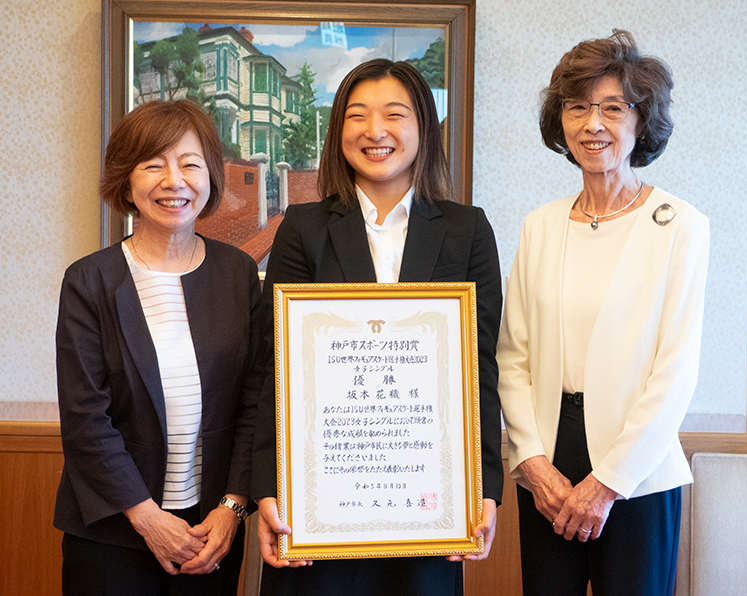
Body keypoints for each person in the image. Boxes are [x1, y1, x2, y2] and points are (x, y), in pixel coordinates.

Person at [250, 59, 504, 596]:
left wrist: (484, 487)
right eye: (357, 115)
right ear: (338, 129)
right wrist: (268, 486)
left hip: (426, 500)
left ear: (423, 129)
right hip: (320, 501)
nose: (375, 131)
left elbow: (480, 368)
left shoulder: (467, 230)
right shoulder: (303, 228)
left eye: (395, 114)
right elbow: (276, 367)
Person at [497, 30, 709, 596]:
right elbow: (512, 357)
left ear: (642, 121)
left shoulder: (680, 225)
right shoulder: (539, 225)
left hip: (637, 470)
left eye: (613, 107)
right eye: (577, 107)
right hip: (547, 466)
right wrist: (532, 464)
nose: (593, 123)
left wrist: (607, 483)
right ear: (560, 123)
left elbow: (675, 369)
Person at [54, 99, 266, 595]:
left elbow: (255, 399)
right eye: (153, 164)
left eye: (190, 164)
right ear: (127, 182)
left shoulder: (237, 273)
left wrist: (232, 509)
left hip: (210, 534)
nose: (175, 181)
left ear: (211, 176)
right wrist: (148, 519)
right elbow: (86, 417)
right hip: (111, 534)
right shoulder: (90, 280)